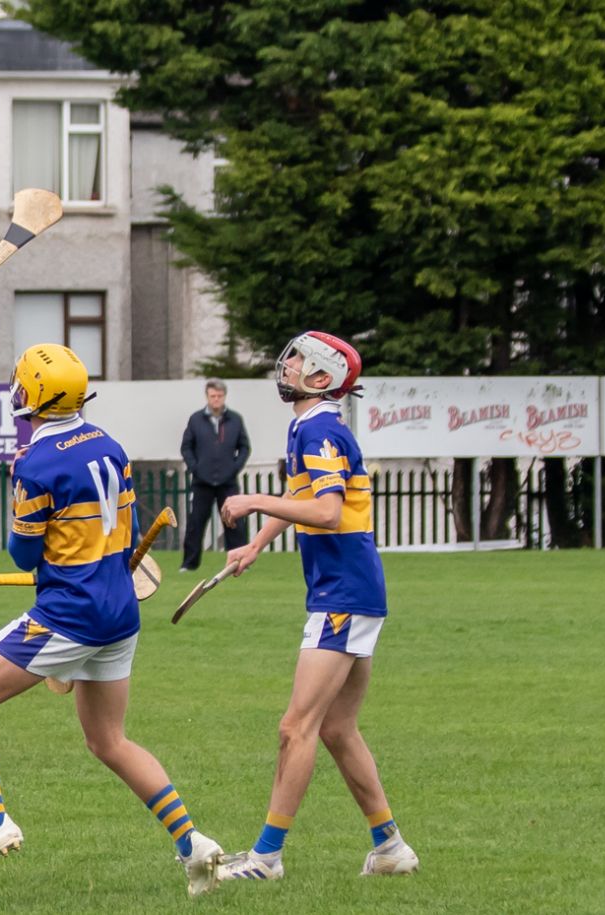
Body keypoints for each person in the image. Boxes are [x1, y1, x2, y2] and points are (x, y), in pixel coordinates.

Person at [0, 343, 225, 896]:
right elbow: (125, 526)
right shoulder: (109, 444)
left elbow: (23, 555)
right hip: (118, 613)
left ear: (33, 397)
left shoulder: (35, 464)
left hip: (70, 612)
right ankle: (195, 845)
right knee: (109, 740)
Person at [215, 331, 418, 881]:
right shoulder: (309, 425)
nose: (289, 365)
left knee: (295, 727)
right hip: (351, 592)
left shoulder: (322, 427)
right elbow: (305, 496)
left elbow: (326, 512)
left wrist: (253, 498)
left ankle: (266, 858)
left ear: (322, 378)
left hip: (343, 596)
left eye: (300, 360)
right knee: (337, 729)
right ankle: (391, 849)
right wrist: (258, 542)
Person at [180, 379, 251, 569]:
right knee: (196, 524)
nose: (216, 400)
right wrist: (195, 468)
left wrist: (234, 467)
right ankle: (189, 564)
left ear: (224, 397)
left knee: (234, 523)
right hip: (202, 481)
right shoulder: (196, 419)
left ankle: (239, 561)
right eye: (213, 396)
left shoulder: (235, 419)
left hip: (227, 482)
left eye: (219, 396)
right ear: (207, 397)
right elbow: (186, 447)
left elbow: (244, 447)